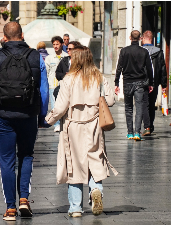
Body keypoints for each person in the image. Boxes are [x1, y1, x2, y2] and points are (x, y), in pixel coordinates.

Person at [0, 21, 49, 221]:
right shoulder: (36, 57)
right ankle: (24, 200)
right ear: (21, 35)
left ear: (4, 38)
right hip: (28, 115)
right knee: (27, 156)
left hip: (3, 116)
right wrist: (42, 115)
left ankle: (10, 208)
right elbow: (44, 91)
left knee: (7, 160)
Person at [45, 46, 118, 217]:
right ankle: (95, 189)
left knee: (74, 165)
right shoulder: (99, 78)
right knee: (95, 160)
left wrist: (48, 120)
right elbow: (111, 101)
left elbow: (61, 107)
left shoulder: (68, 80)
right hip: (95, 125)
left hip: (73, 126)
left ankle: (76, 208)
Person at [114, 30, 154, 141]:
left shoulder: (124, 51)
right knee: (139, 107)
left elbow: (119, 68)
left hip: (127, 82)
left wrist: (116, 83)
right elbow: (149, 69)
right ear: (140, 38)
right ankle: (137, 132)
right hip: (140, 82)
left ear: (130, 37)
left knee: (128, 108)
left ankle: (130, 133)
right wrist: (151, 83)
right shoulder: (144, 52)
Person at [141, 30, 167, 134]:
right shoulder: (159, 52)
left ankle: (146, 126)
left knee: (144, 104)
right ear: (152, 39)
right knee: (151, 104)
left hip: (142, 82)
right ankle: (150, 125)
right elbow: (163, 69)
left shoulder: (140, 51)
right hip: (154, 82)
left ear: (143, 38)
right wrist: (164, 84)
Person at [45, 36, 68, 132]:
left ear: (61, 44)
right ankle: (57, 124)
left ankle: (64, 123)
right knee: (55, 105)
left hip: (64, 85)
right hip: (53, 85)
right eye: (54, 44)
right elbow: (46, 72)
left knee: (64, 104)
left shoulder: (66, 57)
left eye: (57, 44)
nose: (55, 46)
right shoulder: (49, 58)